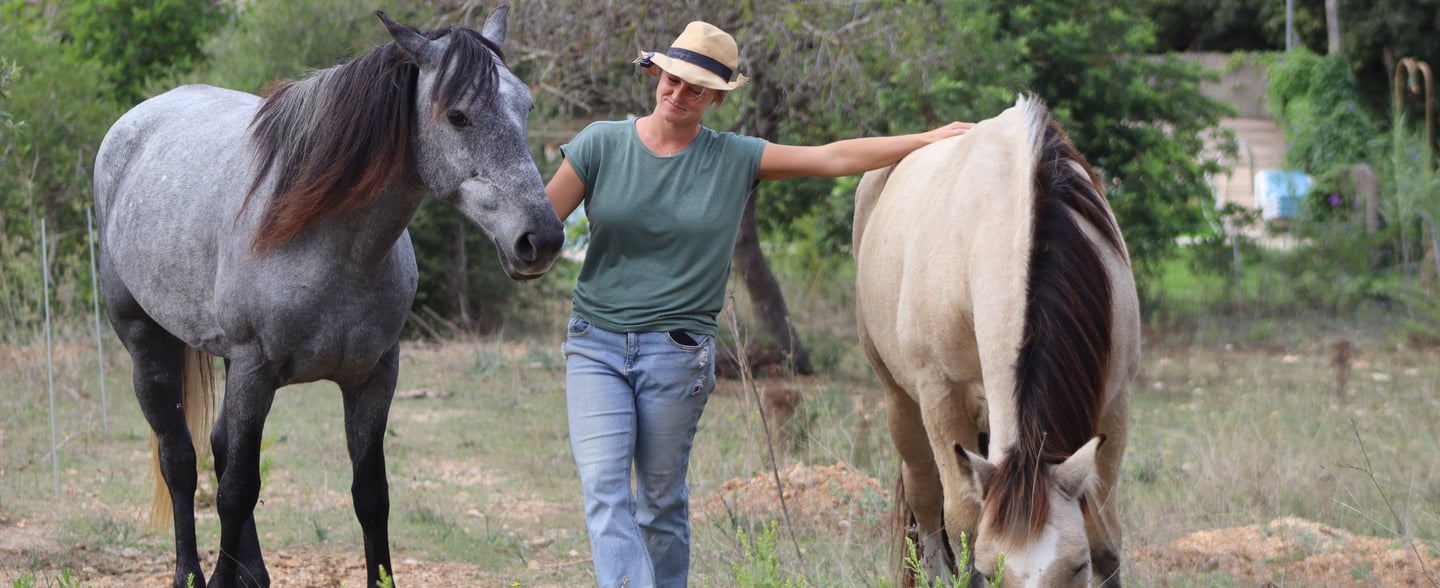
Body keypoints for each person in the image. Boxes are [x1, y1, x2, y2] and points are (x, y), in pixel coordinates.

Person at [545, 20, 973, 588]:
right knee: (604, 493)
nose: (678, 94)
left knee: (660, 503)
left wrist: (926, 139)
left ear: (716, 98)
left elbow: (832, 157)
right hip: (595, 345)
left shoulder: (734, 158)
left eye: (696, 89)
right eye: (672, 80)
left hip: (676, 354)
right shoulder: (600, 144)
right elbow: (537, 227)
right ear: (656, 74)